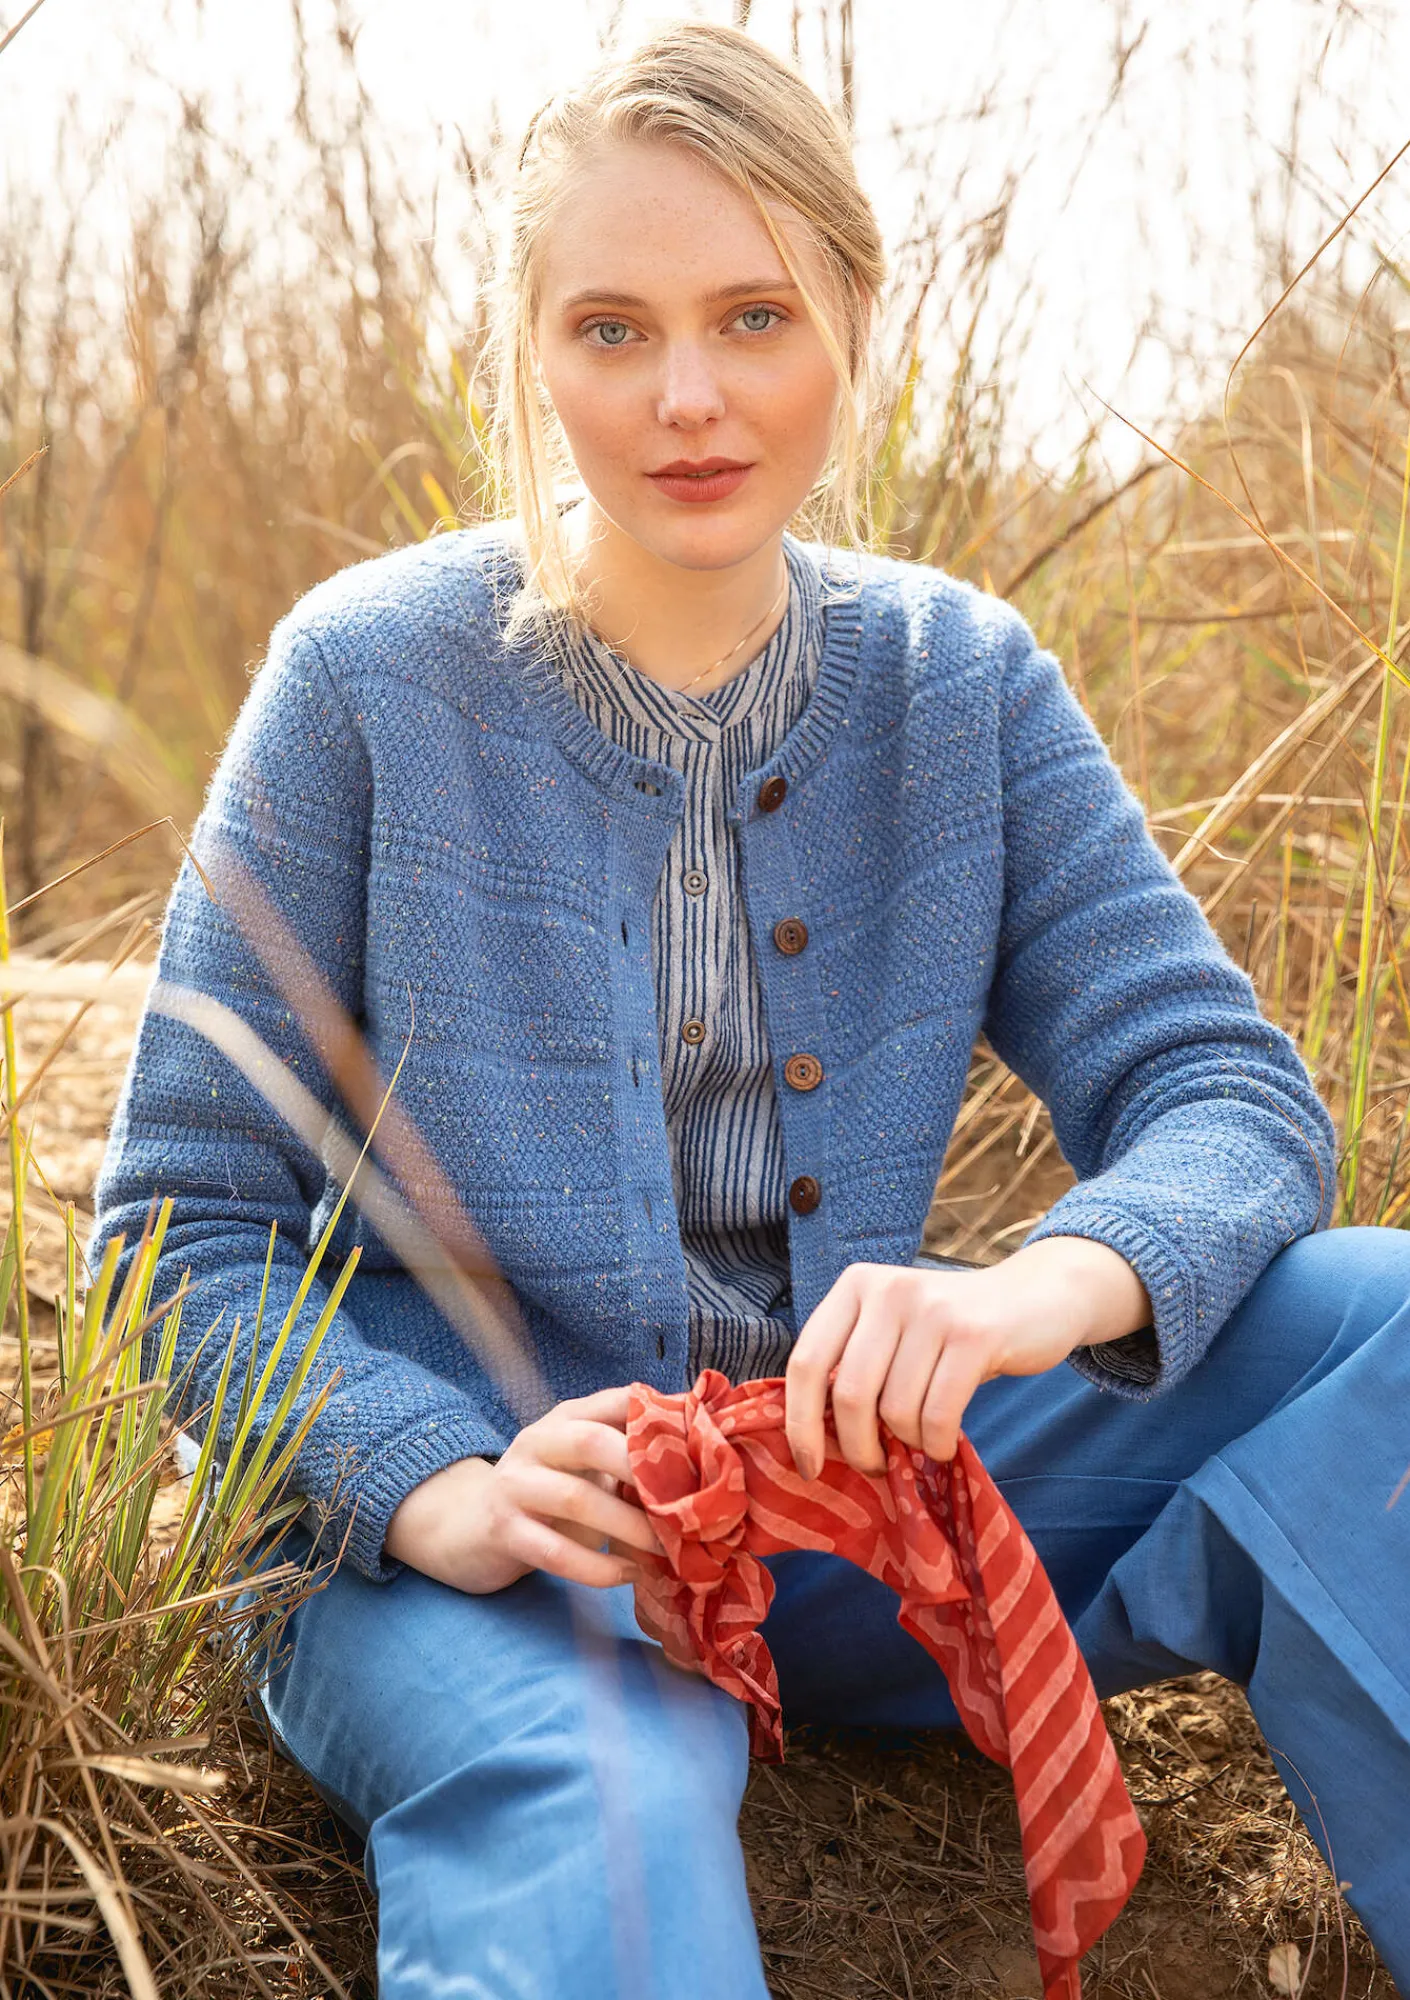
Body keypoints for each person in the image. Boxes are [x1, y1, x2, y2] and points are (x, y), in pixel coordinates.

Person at [90, 21, 1410, 1997]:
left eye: (754, 315)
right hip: (470, 1545)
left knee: (1376, 1326)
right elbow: (174, 1230)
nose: (690, 397)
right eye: (612, 328)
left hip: (845, 1514)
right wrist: (429, 1483)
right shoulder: (365, 684)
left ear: (850, 327)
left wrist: (1023, 1290)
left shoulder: (958, 681)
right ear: (526, 352)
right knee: (596, 1781)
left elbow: (1231, 1097)